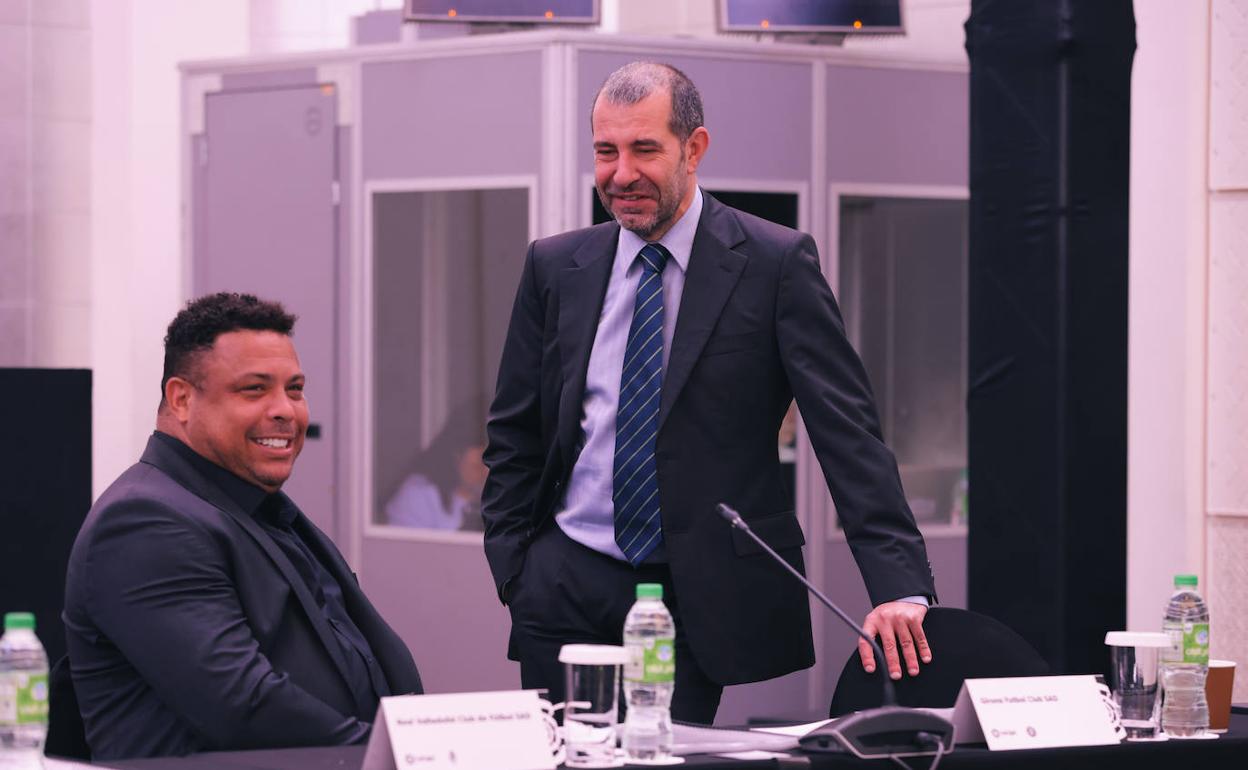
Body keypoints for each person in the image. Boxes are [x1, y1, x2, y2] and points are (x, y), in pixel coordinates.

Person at [482, 61, 937, 723]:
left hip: (693, 591)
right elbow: (515, 429)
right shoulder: (557, 266)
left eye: (645, 150)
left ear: (694, 148)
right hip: (564, 585)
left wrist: (901, 586)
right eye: (606, 151)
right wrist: (516, 567)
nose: (620, 174)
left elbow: (849, 435)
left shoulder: (774, 264)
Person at [63, 293, 423, 760]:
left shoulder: (258, 507)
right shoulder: (143, 522)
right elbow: (242, 705)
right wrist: (408, 754)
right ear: (182, 398)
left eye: (294, 389)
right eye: (254, 389)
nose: (285, 411)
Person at [384, 402, 488, 531]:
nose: (488, 472)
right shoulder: (418, 496)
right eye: (478, 466)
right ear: (456, 454)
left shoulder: (501, 502)